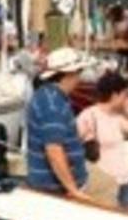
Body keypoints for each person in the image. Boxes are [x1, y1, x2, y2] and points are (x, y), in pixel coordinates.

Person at [25, 47, 107, 203]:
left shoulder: (47, 95)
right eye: (79, 71)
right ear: (69, 73)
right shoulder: (53, 106)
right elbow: (54, 151)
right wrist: (74, 190)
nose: (80, 77)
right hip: (55, 187)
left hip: (57, 180)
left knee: (107, 180)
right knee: (112, 187)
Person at [76, 71, 128, 209]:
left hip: (123, 183)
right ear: (115, 95)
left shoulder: (116, 117)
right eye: (124, 95)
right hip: (104, 185)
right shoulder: (88, 115)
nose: (126, 98)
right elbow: (71, 143)